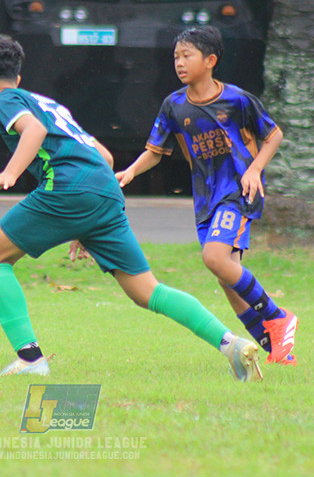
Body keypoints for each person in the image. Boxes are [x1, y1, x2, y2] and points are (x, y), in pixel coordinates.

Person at [0, 32, 262, 382]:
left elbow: (32, 133)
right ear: (17, 76)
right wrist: (80, 223)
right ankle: (230, 344)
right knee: (146, 290)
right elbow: (104, 156)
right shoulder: (45, 102)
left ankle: (29, 358)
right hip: (103, 190)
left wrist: (9, 173)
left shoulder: (5, 100)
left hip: (68, 186)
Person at [116, 26, 298, 365]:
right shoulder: (174, 105)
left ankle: (277, 317)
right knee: (228, 278)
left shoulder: (237, 99)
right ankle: (278, 350)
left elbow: (274, 135)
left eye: (187, 56)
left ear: (210, 60)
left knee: (215, 259)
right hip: (206, 200)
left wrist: (255, 169)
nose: (179, 63)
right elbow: (155, 151)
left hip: (239, 192)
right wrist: (130, 171)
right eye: (176, 57)